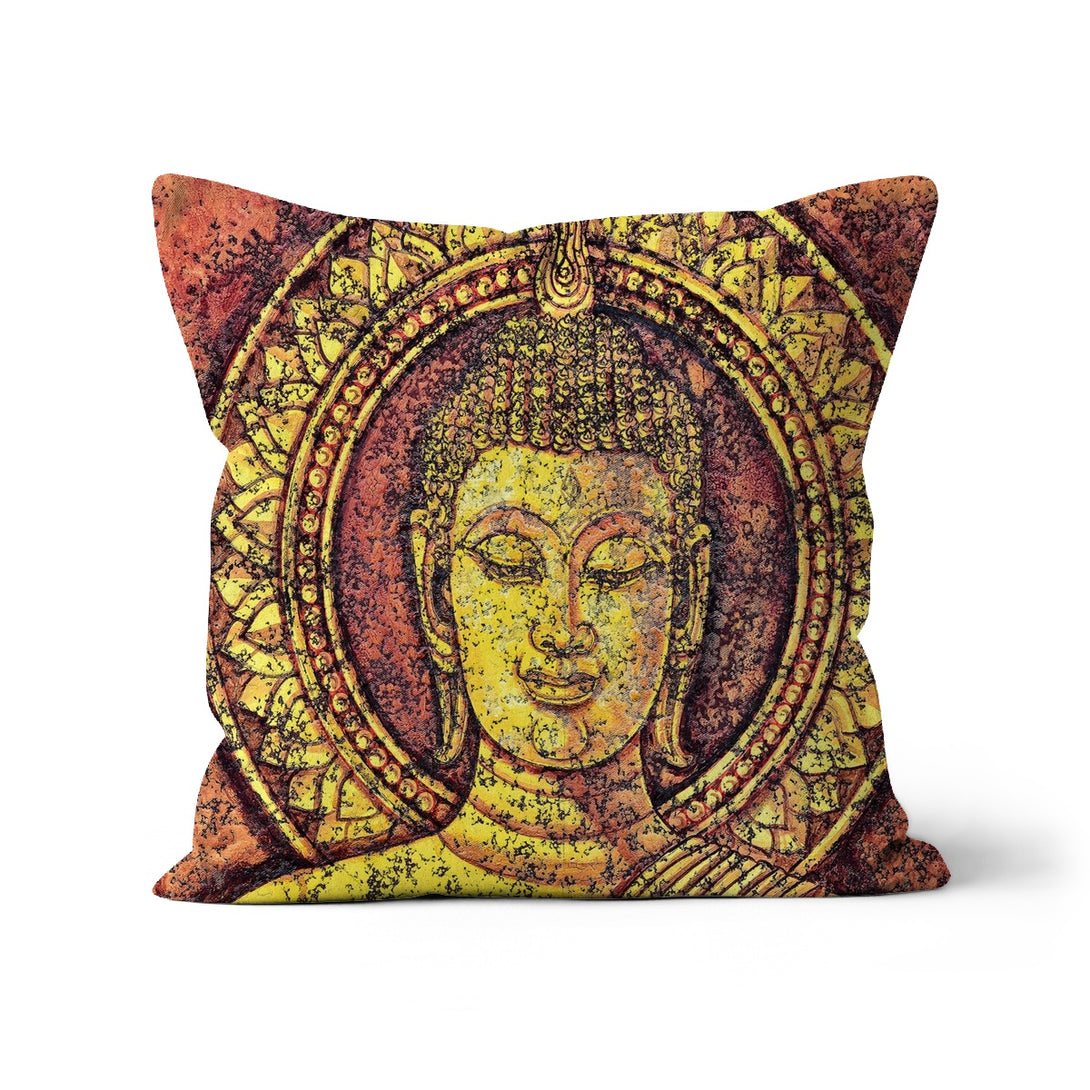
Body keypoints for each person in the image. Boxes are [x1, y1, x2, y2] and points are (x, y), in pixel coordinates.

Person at [239, 256, 818, 902]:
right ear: (437, 593)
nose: (562, 627)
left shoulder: (769, 900)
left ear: (687, 598)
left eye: (617, 568)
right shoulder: (313, 902)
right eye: (510, 563)